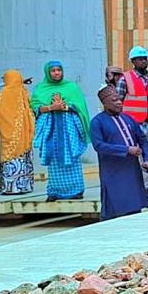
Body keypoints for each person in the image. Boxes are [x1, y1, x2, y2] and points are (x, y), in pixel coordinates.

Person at [30, 60, 90, 201]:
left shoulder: (72, 87)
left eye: (59, 70)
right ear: (47, 72)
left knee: (73, 157)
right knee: (54, 159)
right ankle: (55, 191)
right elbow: (36, 108)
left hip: (69, 129)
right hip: (52, 131)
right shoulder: (40, 89)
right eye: (53, 70)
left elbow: (80, 107)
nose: (57, 73)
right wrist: (51, 107)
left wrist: (65, 107)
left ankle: (76, 190)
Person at [91, 86, 148, 220]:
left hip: (131, 168)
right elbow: (99, 145)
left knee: (134, 205)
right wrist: (126, 150)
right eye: (114, 100)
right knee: (115, 205)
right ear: (105, 103)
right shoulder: (97, 122)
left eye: (119, 99)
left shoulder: (128, 119)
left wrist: (147, 158)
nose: (119, 102)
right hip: (112, 170)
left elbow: (142, 139)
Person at [117, 46, 148, 194]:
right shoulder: (126, 78)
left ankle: (147, 185)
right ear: (133, 61)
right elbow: (118, 100)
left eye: (145, 58)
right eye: (139, 59)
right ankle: (134, 185)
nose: (143, 61)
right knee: (133, 155)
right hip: (132, 125)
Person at [0, 69, 36, 195]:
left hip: (14, 132)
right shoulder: (20, 92)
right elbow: (1, 113)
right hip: (19, 131)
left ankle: (12, 187)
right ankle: (22, 186)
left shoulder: (10, 92)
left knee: (15, 159)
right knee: (20, 159)